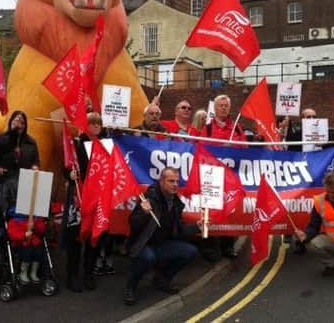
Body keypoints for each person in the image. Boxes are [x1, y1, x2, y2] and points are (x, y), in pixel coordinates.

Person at [123, 167, 201, 305]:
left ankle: (162, 280)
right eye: (171, 181)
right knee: (148, 258)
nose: (175, 184)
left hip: (162, 245)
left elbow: (180, 229)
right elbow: (133, 224)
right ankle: (131, 286)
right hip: (142, 245)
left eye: (177, 181)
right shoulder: (150, 198)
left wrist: (198, 227)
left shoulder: (175, 203)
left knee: (190, 252)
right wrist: (143, 213)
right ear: (162, 182)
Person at [62, 112, 107, 292]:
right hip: (79, 195)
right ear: (85, 125)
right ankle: (72, 275)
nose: (96, 126)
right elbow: (66, 166)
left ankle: (88, 273)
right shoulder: (76, 143)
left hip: (98, 195)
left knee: (93, 238)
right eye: (92, 123)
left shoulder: (105, 144)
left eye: (98, 123)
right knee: (76, 237)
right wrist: (69, 174)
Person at [200, 94, 244, 258]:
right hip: (212, 175)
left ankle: (228, 247)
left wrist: (236, 147)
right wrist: (221, 147)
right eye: (221, 105)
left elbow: (246, 150)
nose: (224, 107)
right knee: (209, 210)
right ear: (215, 108)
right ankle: (209, 247)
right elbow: (202, 148)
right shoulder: (208, 128)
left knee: (229, 210)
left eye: (226, 105)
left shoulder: (237, 128)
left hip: (231, 177)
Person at [0, 110, 40, 216]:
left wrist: (35, 167)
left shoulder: (31, 143)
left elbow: (36, 161)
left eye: (22, 123)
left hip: (23, 184)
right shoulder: (1, 140)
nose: (19, 125)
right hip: (4, 183)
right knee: (4, 214)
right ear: (10, 123)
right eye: (16, 121)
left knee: (19, 217)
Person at [6, 207, 48, 284]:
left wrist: (35, 226)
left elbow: (42, 230)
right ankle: (23, 272)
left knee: (39, 252)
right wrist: (24, 235)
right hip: (21, 244)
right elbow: (12, 234)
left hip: (34, 242)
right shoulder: (14, 221)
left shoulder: (36, 219)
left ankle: (33, 272)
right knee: (27, 252)